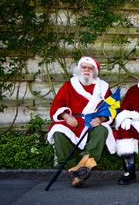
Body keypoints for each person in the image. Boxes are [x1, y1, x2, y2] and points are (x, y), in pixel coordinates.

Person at [47, 56, 116, 188]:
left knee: (102, 130)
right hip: (73, 120)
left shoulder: (103, 87)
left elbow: (112, 108)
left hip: (92, 121)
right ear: (79, 69)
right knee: (57, 130)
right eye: (84, 67)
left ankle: (85, 165)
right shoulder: (68, 85)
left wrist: (101, 118)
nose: (87, 70)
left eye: (90, 68)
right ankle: (73, 169)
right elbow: (57, 105)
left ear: (95, 71)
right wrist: (66, 116)